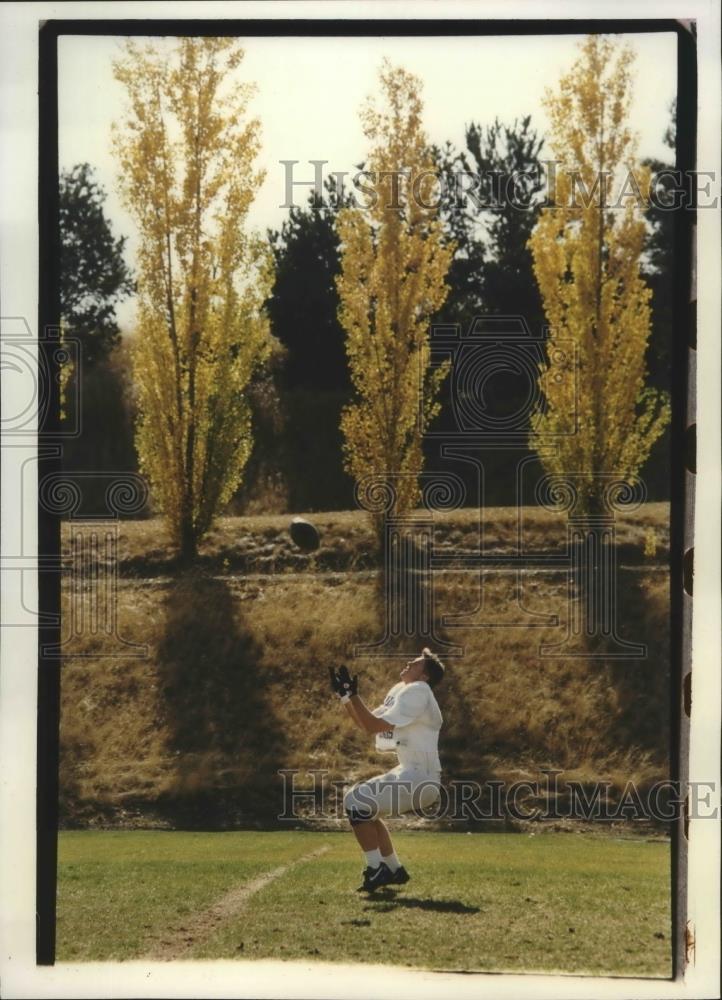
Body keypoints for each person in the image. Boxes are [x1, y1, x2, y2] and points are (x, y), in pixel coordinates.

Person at [329, 649, 445, 892]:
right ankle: (393, 869)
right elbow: (366, 723)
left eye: (416, 663)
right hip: (414, 774)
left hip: (419, 777)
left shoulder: (419, 691)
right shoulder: (406, 691)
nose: (409, 662)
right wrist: (346, 698)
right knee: (365, 808)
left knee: (355, 800)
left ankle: (376, 869)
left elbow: (370, 725)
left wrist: (353, 695)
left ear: (424, 677)